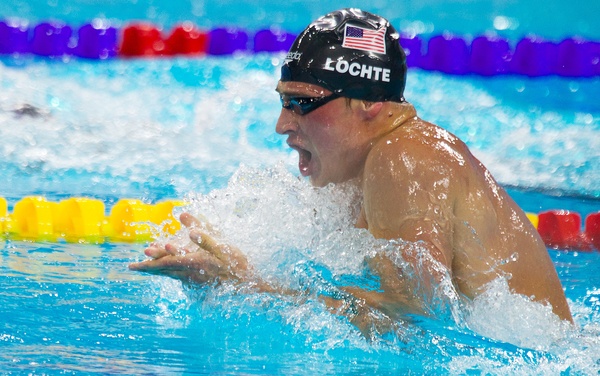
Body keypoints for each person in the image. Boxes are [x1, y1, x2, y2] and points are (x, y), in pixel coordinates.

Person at [129, 8, 573, 331]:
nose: (282, 124)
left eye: (302, 102)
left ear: (370, 103)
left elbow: (419, 324)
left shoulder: (403, 158)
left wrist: (248, 285)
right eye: (283, 101)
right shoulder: (359, 176)